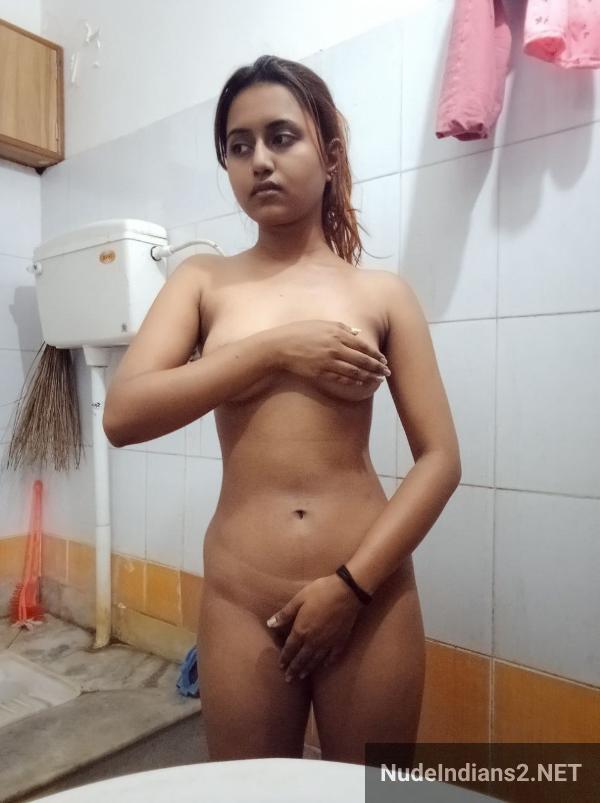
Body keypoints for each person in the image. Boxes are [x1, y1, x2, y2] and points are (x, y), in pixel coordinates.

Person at [103, 55, 461, 765]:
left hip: (369, 593)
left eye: (281, 136)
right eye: (239, 146)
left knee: (371, 790)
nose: (259, 160)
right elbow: (124, 414)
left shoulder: (382, 295)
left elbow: (442, 460)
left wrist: (351, 587)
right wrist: (275, 350)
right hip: (243, 598)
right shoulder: (203, 281)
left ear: (330, 156)